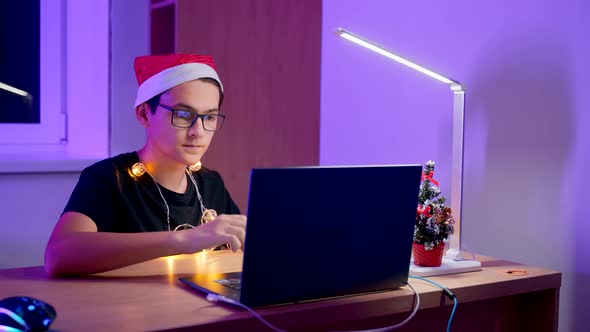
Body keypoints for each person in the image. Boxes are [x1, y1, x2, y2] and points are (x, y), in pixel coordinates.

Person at [44, 54, 247, 277]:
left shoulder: (210, 183)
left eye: (209, 117)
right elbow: (59, 256)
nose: (197, 131)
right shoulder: (109, 178)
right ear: (144, 113)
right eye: (182, 114)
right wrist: (185, 240)